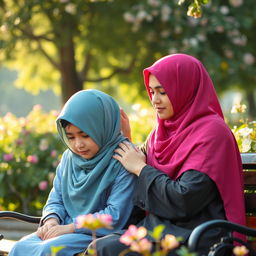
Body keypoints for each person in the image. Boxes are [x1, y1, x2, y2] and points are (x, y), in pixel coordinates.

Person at [93, 54, 246, 255]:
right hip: (159, 230)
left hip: (197, 236)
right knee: (96, 244)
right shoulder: (159, 133)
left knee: (106, 248)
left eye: (163, 92)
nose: (155, 100)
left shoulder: (213, 134)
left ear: (185, 89)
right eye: (151, 92)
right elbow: (137, 168)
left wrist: (141, 168)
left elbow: (184, 201)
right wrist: (126, 141)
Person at [9, 89, 137, 256]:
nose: (78, 145)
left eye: (85, 135)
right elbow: (56, 198)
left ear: (103, 127)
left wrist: (71, 227)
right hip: (62, 228)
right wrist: (51, 220)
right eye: (71, 137)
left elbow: (115, 214)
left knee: (47, 251)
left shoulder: (123, 158)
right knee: (19, 248)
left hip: (94, 235)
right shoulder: (69, 158)